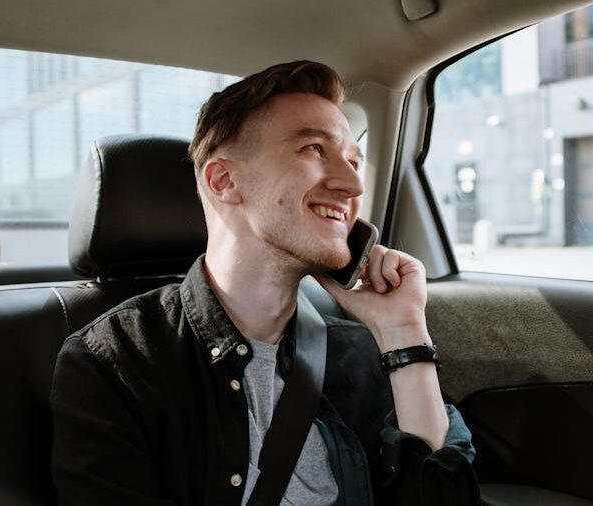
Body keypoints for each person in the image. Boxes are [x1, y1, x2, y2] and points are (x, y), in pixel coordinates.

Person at [50, 60, 479, 506]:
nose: (353, 184)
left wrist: (403, 332)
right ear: (224, 180)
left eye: (354, 161)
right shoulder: (116, 362)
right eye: (314, 149)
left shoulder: (361, 352)